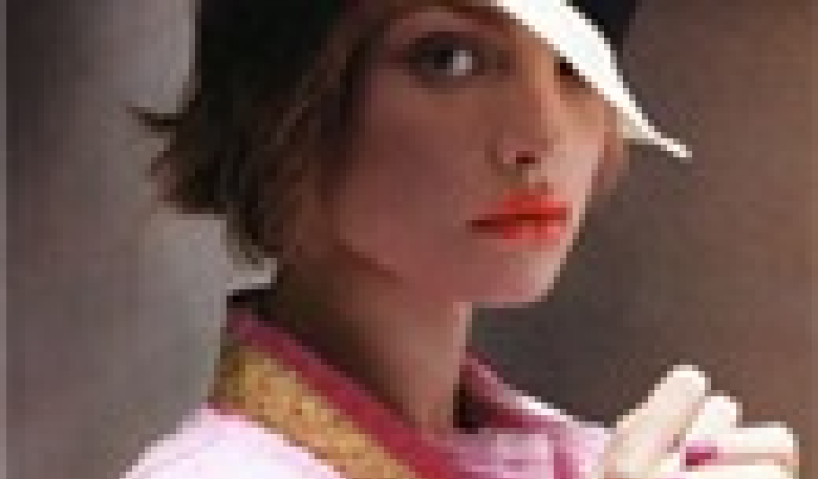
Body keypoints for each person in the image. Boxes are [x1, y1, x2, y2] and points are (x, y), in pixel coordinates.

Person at [123, 1, 799, 478]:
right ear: (286, 107)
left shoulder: (598, 459)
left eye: (574, 66)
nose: (539, 136)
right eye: (449, 59)